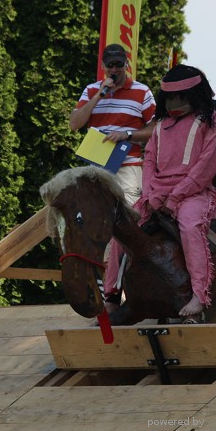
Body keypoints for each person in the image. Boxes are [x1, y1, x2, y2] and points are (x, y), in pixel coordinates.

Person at [69, 43, 155, 310]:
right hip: (96, 167)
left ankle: (118, 293)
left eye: (120, 64)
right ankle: (105, 290)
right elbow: (75, 124)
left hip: (128, 166)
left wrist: (127, 135)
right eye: (111, 65)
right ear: (104, 66)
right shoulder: (92, 90)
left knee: (125, 226)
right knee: (93, 226)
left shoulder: (142, 92)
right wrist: (99, 96)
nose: (115, 69)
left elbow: (156, 129)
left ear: (127, 64)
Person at [136, 64, 216, 318]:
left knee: (189, 226)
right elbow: (149, 161)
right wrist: (150, 195)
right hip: (155, 196)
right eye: (171, 97)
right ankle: (111, 295)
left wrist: (175, 196)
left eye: (181, 96)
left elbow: (205, 167)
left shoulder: (212, 121)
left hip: (194, 195)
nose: (175, 102)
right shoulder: (161, 125)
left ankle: (200, 295)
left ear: (195, 95)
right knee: (122, 228)